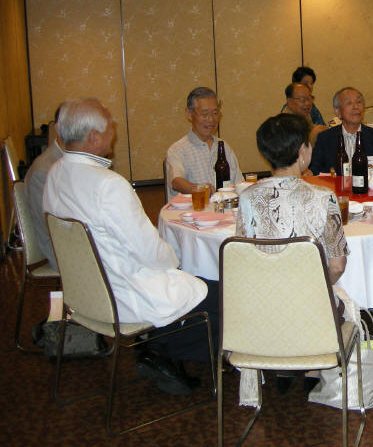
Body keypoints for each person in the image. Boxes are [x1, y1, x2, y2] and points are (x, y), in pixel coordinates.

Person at [43, 98, 214, 395]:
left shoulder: (55, 173)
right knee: (219, 297)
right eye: (110, 126)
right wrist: (177, 261)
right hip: (123, 292)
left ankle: (158, 347)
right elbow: (152, 253)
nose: (114, 130)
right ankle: (158, 349)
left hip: (84, 292)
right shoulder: (108, 185)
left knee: (198, 286)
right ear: (94, 137)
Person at [237, 113, 348, 283]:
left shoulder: (247, 196)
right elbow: (337, 266)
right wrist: (318, 288)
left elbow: (242, 254)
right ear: (302, 150)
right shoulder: (324, 197)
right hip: (309, 294)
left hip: (264, 292)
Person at [165, 87, 243, 199]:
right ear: (189, 114)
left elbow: (239, 183)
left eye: (215, 113)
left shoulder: (223, 146)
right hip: (194, 209)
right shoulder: (177, 150)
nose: (211, 120)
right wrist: (200, 189)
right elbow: (176, 182)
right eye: (204, 114)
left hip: (225, 208)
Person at [309, 87, 373, 177]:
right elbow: (315, 170)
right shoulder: (325, 138)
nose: (356, 107)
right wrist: (310, 172)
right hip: (334, 185)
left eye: (359, 102)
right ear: (338, 112)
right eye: (349, 103)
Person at [23, 104, 64, 271]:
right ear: (60, 129)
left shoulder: (70, 162)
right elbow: (51, 230)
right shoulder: (44, 171)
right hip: (64, 251)